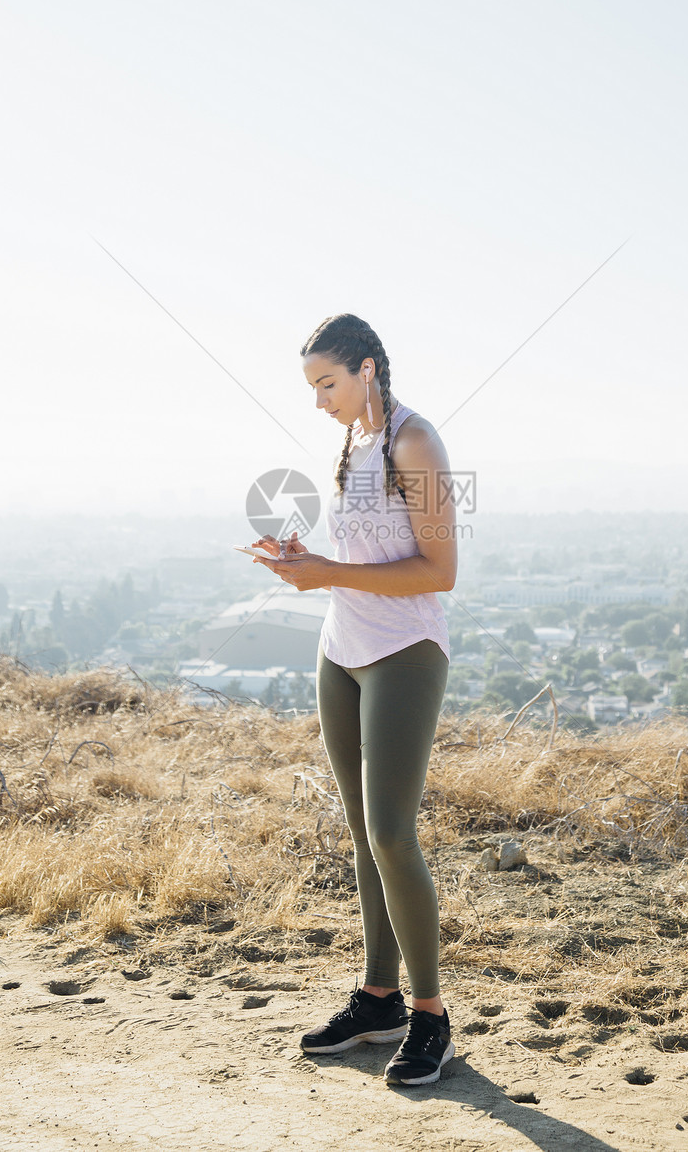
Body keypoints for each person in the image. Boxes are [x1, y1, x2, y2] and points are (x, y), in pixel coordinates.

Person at [250, 312, 458, 1087]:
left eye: (326, 383)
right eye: (311, 387)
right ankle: (380, 999)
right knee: (362, 832)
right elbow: (366, 553)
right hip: (340, 652)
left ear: (367, 370)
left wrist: (328, 571)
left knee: (393, 834)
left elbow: (438, 572)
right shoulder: (354, 443)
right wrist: (309, 561)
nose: (318, 402)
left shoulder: (415, 442)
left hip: (404, 655)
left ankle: (431, 1014)